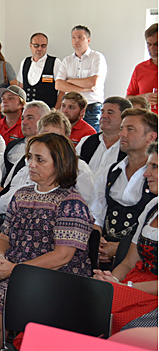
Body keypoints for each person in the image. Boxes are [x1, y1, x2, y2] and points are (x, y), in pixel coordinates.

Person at [0, 133, 94, 351]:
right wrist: (0, 261)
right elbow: (4, 238)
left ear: (60, 164)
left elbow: (62, 256)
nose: (31, 164)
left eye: (40, 159)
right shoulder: (21, 195)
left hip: (55, 278)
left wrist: (14, 270)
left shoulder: (71, 202)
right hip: (15, 270)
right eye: (30, 157)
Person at [93, 141, 158, 334]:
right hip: (134, 284)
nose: (146, 174)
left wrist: (124, 287)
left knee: (113, 321)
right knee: (86, 301)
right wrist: (112, 280)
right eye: (148, 166)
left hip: (151, 293)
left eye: (154, 167)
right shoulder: (152, 206)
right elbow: (129, 262)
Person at [0, 111, 96, 224]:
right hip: (6, 218)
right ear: (37, 135)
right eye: (45, 135)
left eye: (56, 137)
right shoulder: (26, 161)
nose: (49, 142)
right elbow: (9, 190)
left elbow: (86, 207)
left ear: (67, 138)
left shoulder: (78, 168)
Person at [91, 108, 158, 267]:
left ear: (151, 137)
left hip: (140, 260)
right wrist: (97, 243)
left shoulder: (155, 178)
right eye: (122, 128)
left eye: (130, 129)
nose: (122, 134)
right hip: (102, 255)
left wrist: (120, 248)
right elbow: (96, 214)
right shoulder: (110, 172)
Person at [55, 25, 107, 132]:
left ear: (88, 40)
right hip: (69, 107)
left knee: (90, 138)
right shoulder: (67, 60)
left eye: (80, 37)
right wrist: (82, 89)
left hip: (91, 107)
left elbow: (93, 82)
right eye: (73, 37)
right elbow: (58, 85)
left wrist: (69, 81)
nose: (76, 40)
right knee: (68, 138)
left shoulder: (97, 57)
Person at [77, 96, 131, 173]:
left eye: (110, 113)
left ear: (124, 118)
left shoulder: (129, 147)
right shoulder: (86, 141)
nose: (103, 116)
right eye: (102, 112)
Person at [17, 33, 62, 108]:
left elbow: (62, 90)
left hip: (48, 110)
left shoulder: (55, 62)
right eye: (36, 45)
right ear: (30, 45)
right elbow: (21, 87)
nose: (40, 48)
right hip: (27, 109)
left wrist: (56, 110)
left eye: (43, 46)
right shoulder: (25, 62)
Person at [126, 23, 158, 114]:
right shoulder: (140, 68)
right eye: (149, 44)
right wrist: (143, 98)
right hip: (146, 119)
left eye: (157, 44)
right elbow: (128, 99)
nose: (152, 48)